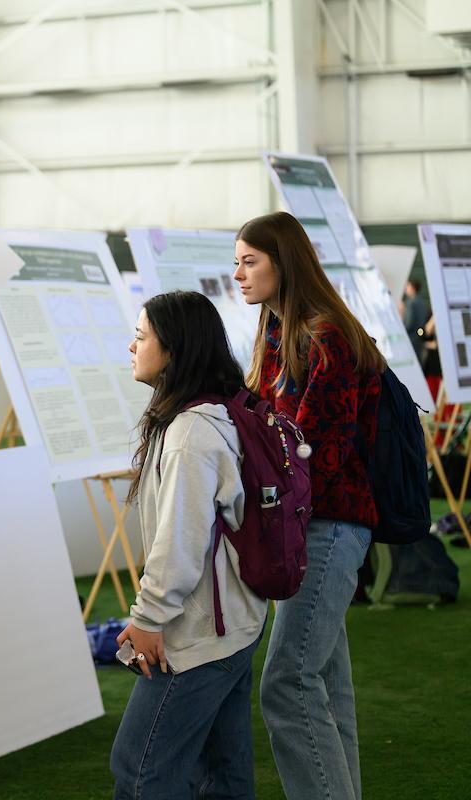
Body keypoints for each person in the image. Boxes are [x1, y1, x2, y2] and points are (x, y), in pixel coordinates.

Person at [235, 211, 383, 800]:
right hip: (307, 526)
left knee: (288, 683)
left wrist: (262, 490)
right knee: (321, 682)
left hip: (329, 527)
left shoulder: (322, 335)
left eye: (250, 261)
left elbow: (320, 450)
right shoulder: (276, 331)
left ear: (283, 262)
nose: (239, 274)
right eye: (237, 262)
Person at [110, 291, 266, 800]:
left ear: (173, 349)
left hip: (198, 633)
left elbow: (181, 542)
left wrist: (149, 618)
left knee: (140, 769)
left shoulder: (191, 432)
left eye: (141, 336)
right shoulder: (209, 414)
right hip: (230, 625)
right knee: (222, 775)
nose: (132, 347)